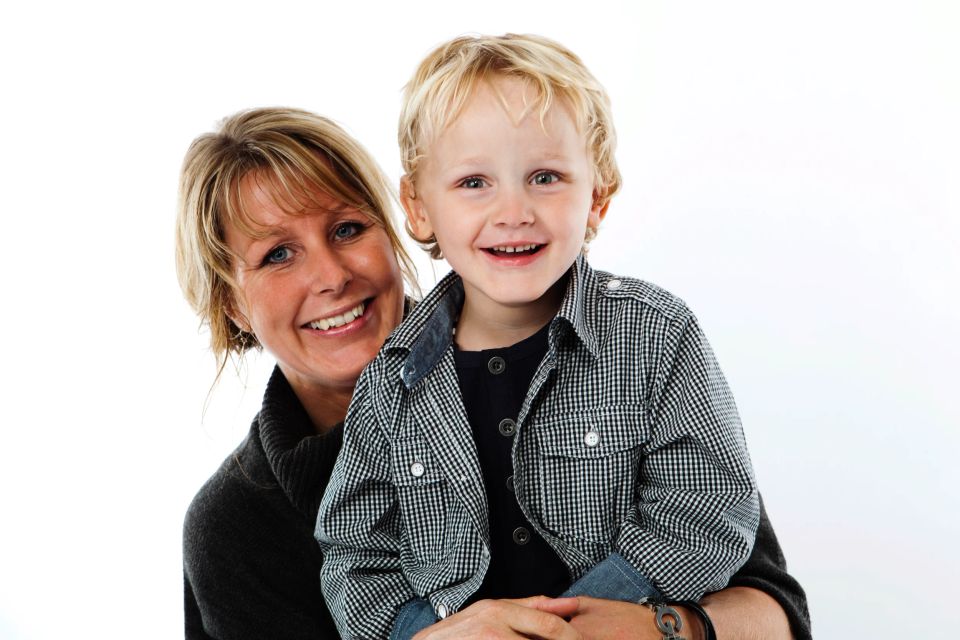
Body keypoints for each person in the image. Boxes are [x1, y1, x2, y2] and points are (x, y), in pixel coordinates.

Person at [177, 107, 811, 640]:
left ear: (399, 224)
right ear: (231, 301)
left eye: (347, 229)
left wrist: (662, 626)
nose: (331, 276)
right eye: (277, 254)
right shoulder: (235, 526)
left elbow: (774, 610)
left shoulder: (612, 358)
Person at [315, 34, 767, 640]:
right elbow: (355, 552)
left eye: (545, 177)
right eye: (474, 182)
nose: (514, 211)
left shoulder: (655, 334)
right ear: (419, 207)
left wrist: (571, 624)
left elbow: (708, 508)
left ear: (597, 200)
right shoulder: (392, 379)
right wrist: (421, 634)